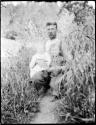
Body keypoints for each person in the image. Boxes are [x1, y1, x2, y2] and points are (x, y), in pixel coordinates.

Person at [29, 22, 72, 99]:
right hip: (46, 70)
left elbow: (69, 60)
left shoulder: (60, 42)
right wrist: (38, 62)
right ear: (46, 31)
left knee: (57, 81)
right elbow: (38, 56)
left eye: (52, 29)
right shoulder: (45, 43)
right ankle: (42, 92)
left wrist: (60, 68)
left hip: (56, 71)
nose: (50, 31)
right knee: (36, 77)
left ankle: (55, 91)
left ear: (56, 30)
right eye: (48, 29)